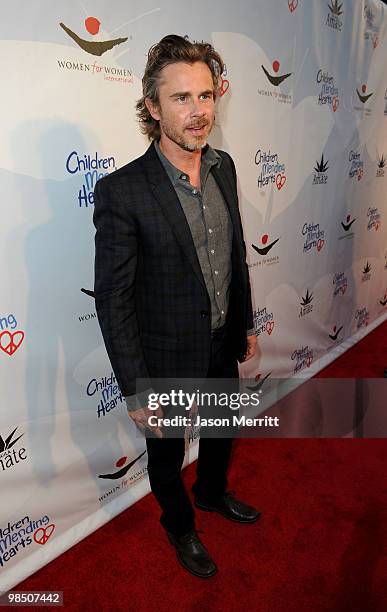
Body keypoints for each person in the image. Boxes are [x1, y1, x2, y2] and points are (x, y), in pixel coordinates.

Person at [93, 34, 260, 579]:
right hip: (164, 359)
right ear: (152, 107)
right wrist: (136, 387)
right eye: (182, 98)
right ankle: (180, 524)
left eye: (206, 96)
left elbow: (234, 254)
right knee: (166, 459)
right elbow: (114, 299)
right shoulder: (123, 192)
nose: (198, 112)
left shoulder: (225, 167)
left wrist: (245, 323)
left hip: (220, 343)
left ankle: (211, 494)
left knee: (218, 434)